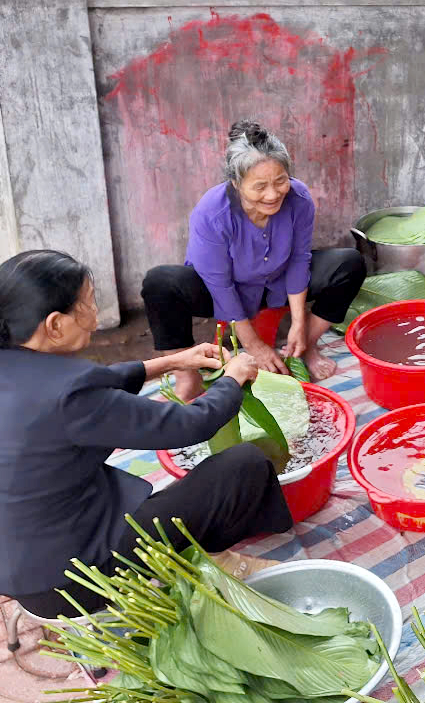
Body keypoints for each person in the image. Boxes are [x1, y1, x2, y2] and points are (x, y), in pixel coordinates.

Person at [0, 250, 293, 618]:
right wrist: (234, 377)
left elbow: (96, 383)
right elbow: (191, 425)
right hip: (78, 582)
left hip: (21, 568)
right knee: (244, 464)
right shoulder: (70, 395)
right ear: (55, 325)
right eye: (88, 305)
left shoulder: (20, 367)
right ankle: (221, 562)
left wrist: (173, 361)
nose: (93, 318)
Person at [142, 120, 366, 401]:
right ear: (236, 183)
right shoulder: (213, 212)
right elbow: (219, 285)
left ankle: (304, 346)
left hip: (278, 284)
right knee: (160, 283)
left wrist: (299, 323)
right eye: (259, 186)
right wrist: (255, 346)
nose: (273, 195)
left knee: (349, 263)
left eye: (280, 181)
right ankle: (187, 379)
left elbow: (299, 259)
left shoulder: (299, 199)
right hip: (222, 293)